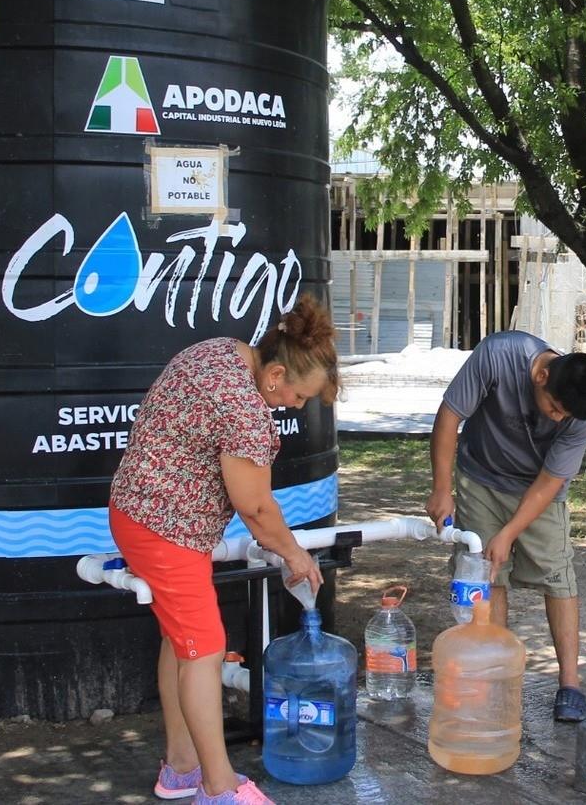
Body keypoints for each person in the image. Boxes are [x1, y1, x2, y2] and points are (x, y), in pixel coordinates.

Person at [109, 296, 337, 804]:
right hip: (165, 530)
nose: (297, 407)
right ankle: (219, 787)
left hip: (138, 512)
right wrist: (296, 555)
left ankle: (181, 770)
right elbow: (256, 510)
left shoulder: (222, 352)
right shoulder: (246, 411)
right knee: (206, 648)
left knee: (182, 640)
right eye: (299, 396)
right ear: (276, 374)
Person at [425, 330, 586, 722]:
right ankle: (496, 679)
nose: (558, 418)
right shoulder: (499, 354)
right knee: (489, 575)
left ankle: (571, 685)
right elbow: (449, 416)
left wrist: (509, 532)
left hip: (540, 488)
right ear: (541, 377)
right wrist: (442, 488)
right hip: (482, 476)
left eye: (565, 416)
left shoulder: (582, 409)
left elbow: (550, 481)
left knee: (557, 576)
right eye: (555, 408)